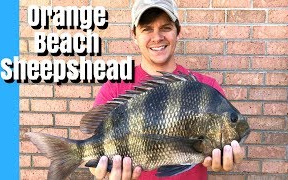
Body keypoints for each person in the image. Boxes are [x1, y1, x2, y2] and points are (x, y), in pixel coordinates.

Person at [89, 0, 243, 179]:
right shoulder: (114, 88)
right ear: (134, 35)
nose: (157, 37)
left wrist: (227, 160)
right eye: (147, 29)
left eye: (166, 27)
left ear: (178, 31)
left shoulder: (207, 88)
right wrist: (106, 174)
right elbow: (94, 159)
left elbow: (225, 148)